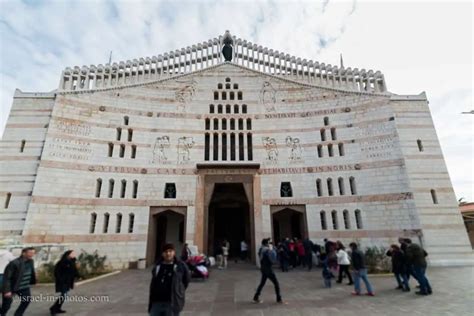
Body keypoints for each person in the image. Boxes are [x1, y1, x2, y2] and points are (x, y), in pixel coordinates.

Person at [149, 243, 191, 316]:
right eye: (165, 252)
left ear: (174, 252)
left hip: (172, 303)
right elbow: (153, 283)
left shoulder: (180, 266)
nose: (168, 253)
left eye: (170, 251)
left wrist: (179, 290)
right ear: (162, 254)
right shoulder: (157, 266)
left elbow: (186, 280)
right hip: (156, 302)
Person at [0, 247, 36, 316]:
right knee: (6, 305)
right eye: (30, 253)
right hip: (13, 286)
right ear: (23, 253)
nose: (32, 255)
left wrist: (33, 279)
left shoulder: (31, 261)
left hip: (24, 287)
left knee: (26, 301)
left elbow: (31, 271)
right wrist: (7, 290)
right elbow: (7, 277)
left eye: (33, 253)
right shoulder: (14, 263)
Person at [253, 238, 285, 304]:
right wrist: (273, 250)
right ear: (266, 243)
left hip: (263, 268)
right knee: (276, 283)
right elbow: (273, 259)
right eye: (269, 242)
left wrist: (274, 250)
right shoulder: (267, 250)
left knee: (262, 283)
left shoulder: (261, 249)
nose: (270, 244)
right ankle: (279, 299)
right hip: (268, 269)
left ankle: (256, 297)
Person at [50, 250, 79, 315]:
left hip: (68, 281)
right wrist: (61, 279)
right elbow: (56, 272)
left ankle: (57, 308)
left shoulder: (72, 261)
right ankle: (53, 309)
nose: (74, 254)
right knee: (64, 295)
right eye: (72, 253)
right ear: (68, 254)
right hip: (63, 281)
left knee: (64, 296)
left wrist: (79, 276)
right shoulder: (62, 262)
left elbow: (74, 271)